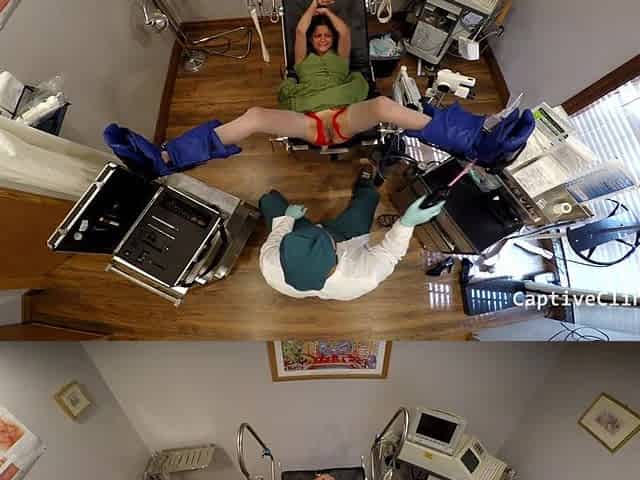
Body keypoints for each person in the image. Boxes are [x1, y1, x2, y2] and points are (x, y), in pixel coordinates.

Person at [104, 0, 535, 179]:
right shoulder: (303, 59)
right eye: (319, 36)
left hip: (344, 118)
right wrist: (310, 10)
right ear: (313, 41)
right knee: (255, 116)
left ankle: (477, 142)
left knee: (382, 105)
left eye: (328, 36)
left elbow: (346, 31)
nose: (324, 38)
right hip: (310, 122)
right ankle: (166, 158)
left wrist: (334, 11)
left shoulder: (344, 57)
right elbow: (300, 31)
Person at [258, 162, 445, 300]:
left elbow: (275, 238)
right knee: (368, 200)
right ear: (334, 258)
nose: (319, 227)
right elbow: (390, 253)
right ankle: (366, 186)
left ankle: (362, 184)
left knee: (268, 201)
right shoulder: (363, 278)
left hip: (296, 231)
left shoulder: (269, 263)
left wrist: (288, 218)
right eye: (325, 239)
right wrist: (406, 223)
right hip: (346, 238)